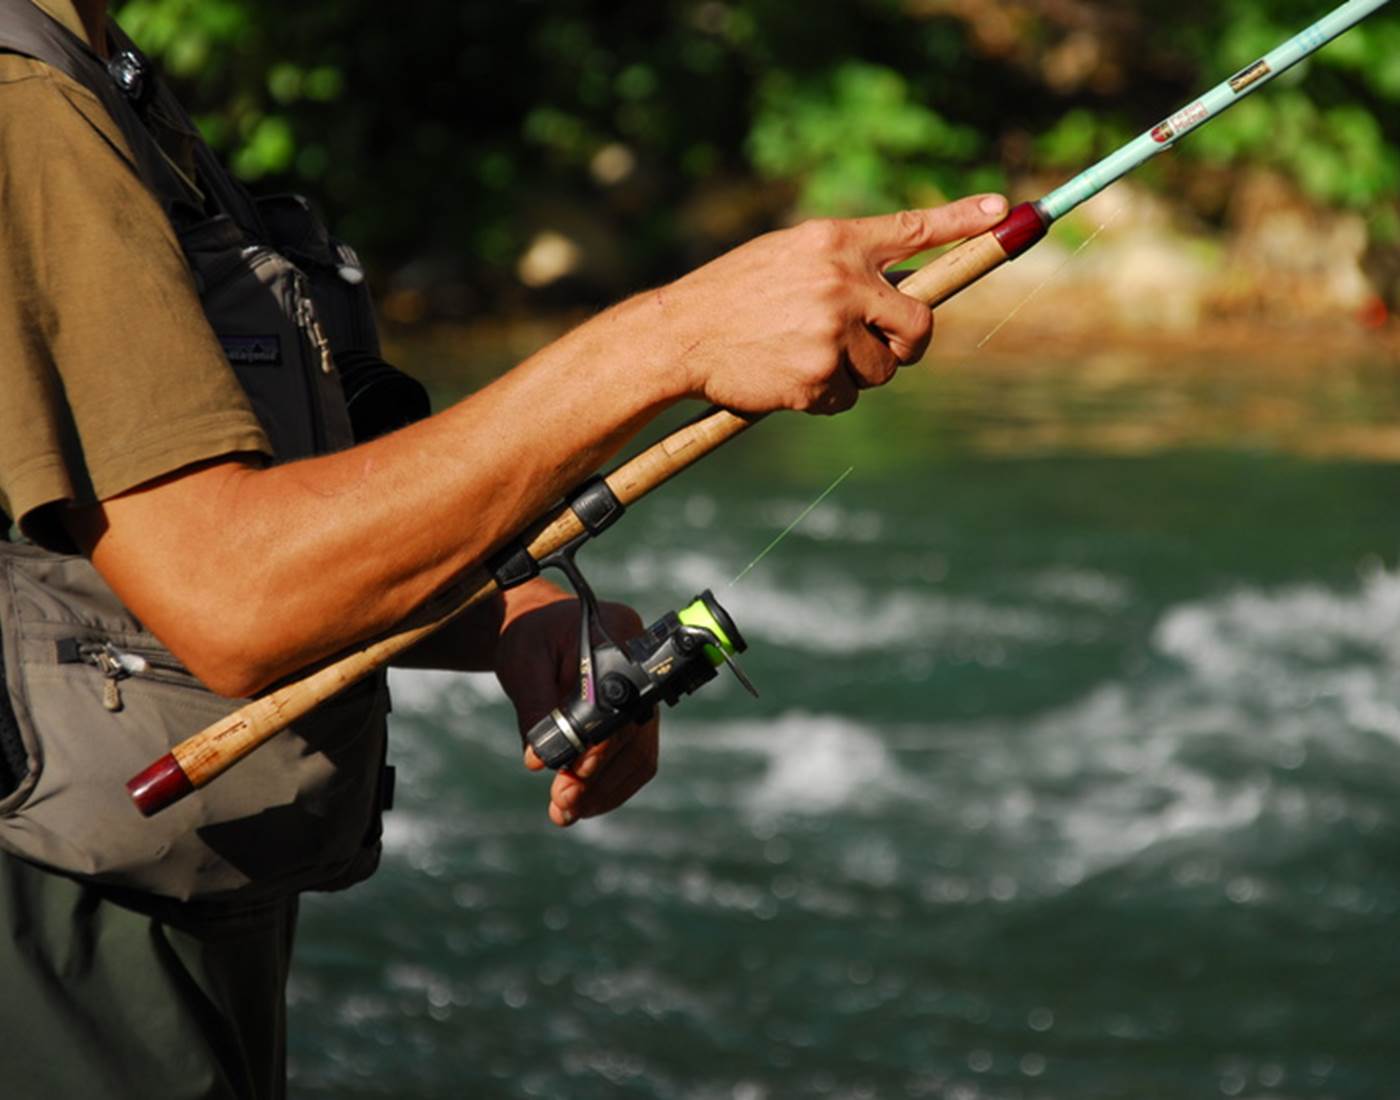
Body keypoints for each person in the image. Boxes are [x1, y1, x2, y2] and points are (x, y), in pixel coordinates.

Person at [0, 0, 1011, 1096]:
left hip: (168, 920)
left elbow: (221, 510)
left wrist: (516, 610)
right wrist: (671, 336)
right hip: (57, 928)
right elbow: (230, 592)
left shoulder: (106, 72)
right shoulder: (25, 100)